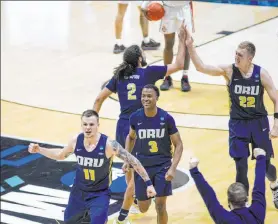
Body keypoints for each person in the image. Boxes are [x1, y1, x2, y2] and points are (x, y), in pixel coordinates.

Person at [93, 25, 186, 224]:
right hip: (141, 126)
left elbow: (99, 99)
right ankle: (124, 214)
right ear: (139, 59)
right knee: (142, 168)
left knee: (131, 172)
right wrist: (183, 42)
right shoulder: (147, 73)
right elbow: (178, 63)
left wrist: (94, 123)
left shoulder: (118, 76)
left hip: (123, 126)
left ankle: (133, 206)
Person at [183, 27, 278, 209]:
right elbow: (201, 67)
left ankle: (275, 185)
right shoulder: (229, 71)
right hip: (238, 124)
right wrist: (190, 46)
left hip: (258, 123)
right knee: (241, 167)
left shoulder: (261, 74)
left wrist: (276, 125)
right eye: (235, 53)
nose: (236, 57)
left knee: (266, 166)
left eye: (240, 55)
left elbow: (276, 99)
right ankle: (242, 207)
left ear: (250, 58)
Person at [27, 110, 156, 224]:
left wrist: (148, 183)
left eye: (91, 124)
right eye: (85, 124)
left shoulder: (108, 144)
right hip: (78, 192)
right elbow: (61, 155)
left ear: (98, 126)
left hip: (99, 194)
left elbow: (133, 161)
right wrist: (39, 149)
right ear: (81, 125)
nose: (88, 128)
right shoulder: (76, 140)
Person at [125, 84, 183, 224]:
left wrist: (173, 168)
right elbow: (131, 137)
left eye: (149, 96)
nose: (146, 98)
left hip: (162, 166)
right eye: (143, 96)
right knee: (143, 208)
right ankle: (142, 198)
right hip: (142, 167)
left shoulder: (166, 118)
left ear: (157, 98)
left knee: (160, 205)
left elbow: (179, 144)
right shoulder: (135, 117)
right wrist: (127, 159)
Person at [189, 148, 267, 223]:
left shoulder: (226, 219)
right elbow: (259, 186)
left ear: (229, 202)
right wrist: (261, 158)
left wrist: (194, 170)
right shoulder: (258, 213)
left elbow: (209, 196)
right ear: (246, 199)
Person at [141, 1, 194, 92]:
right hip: (168, 10)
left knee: (186, 44)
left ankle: (185, 77)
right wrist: (144, 5)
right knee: (169, 43)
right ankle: (167, 77)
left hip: (184, 9)